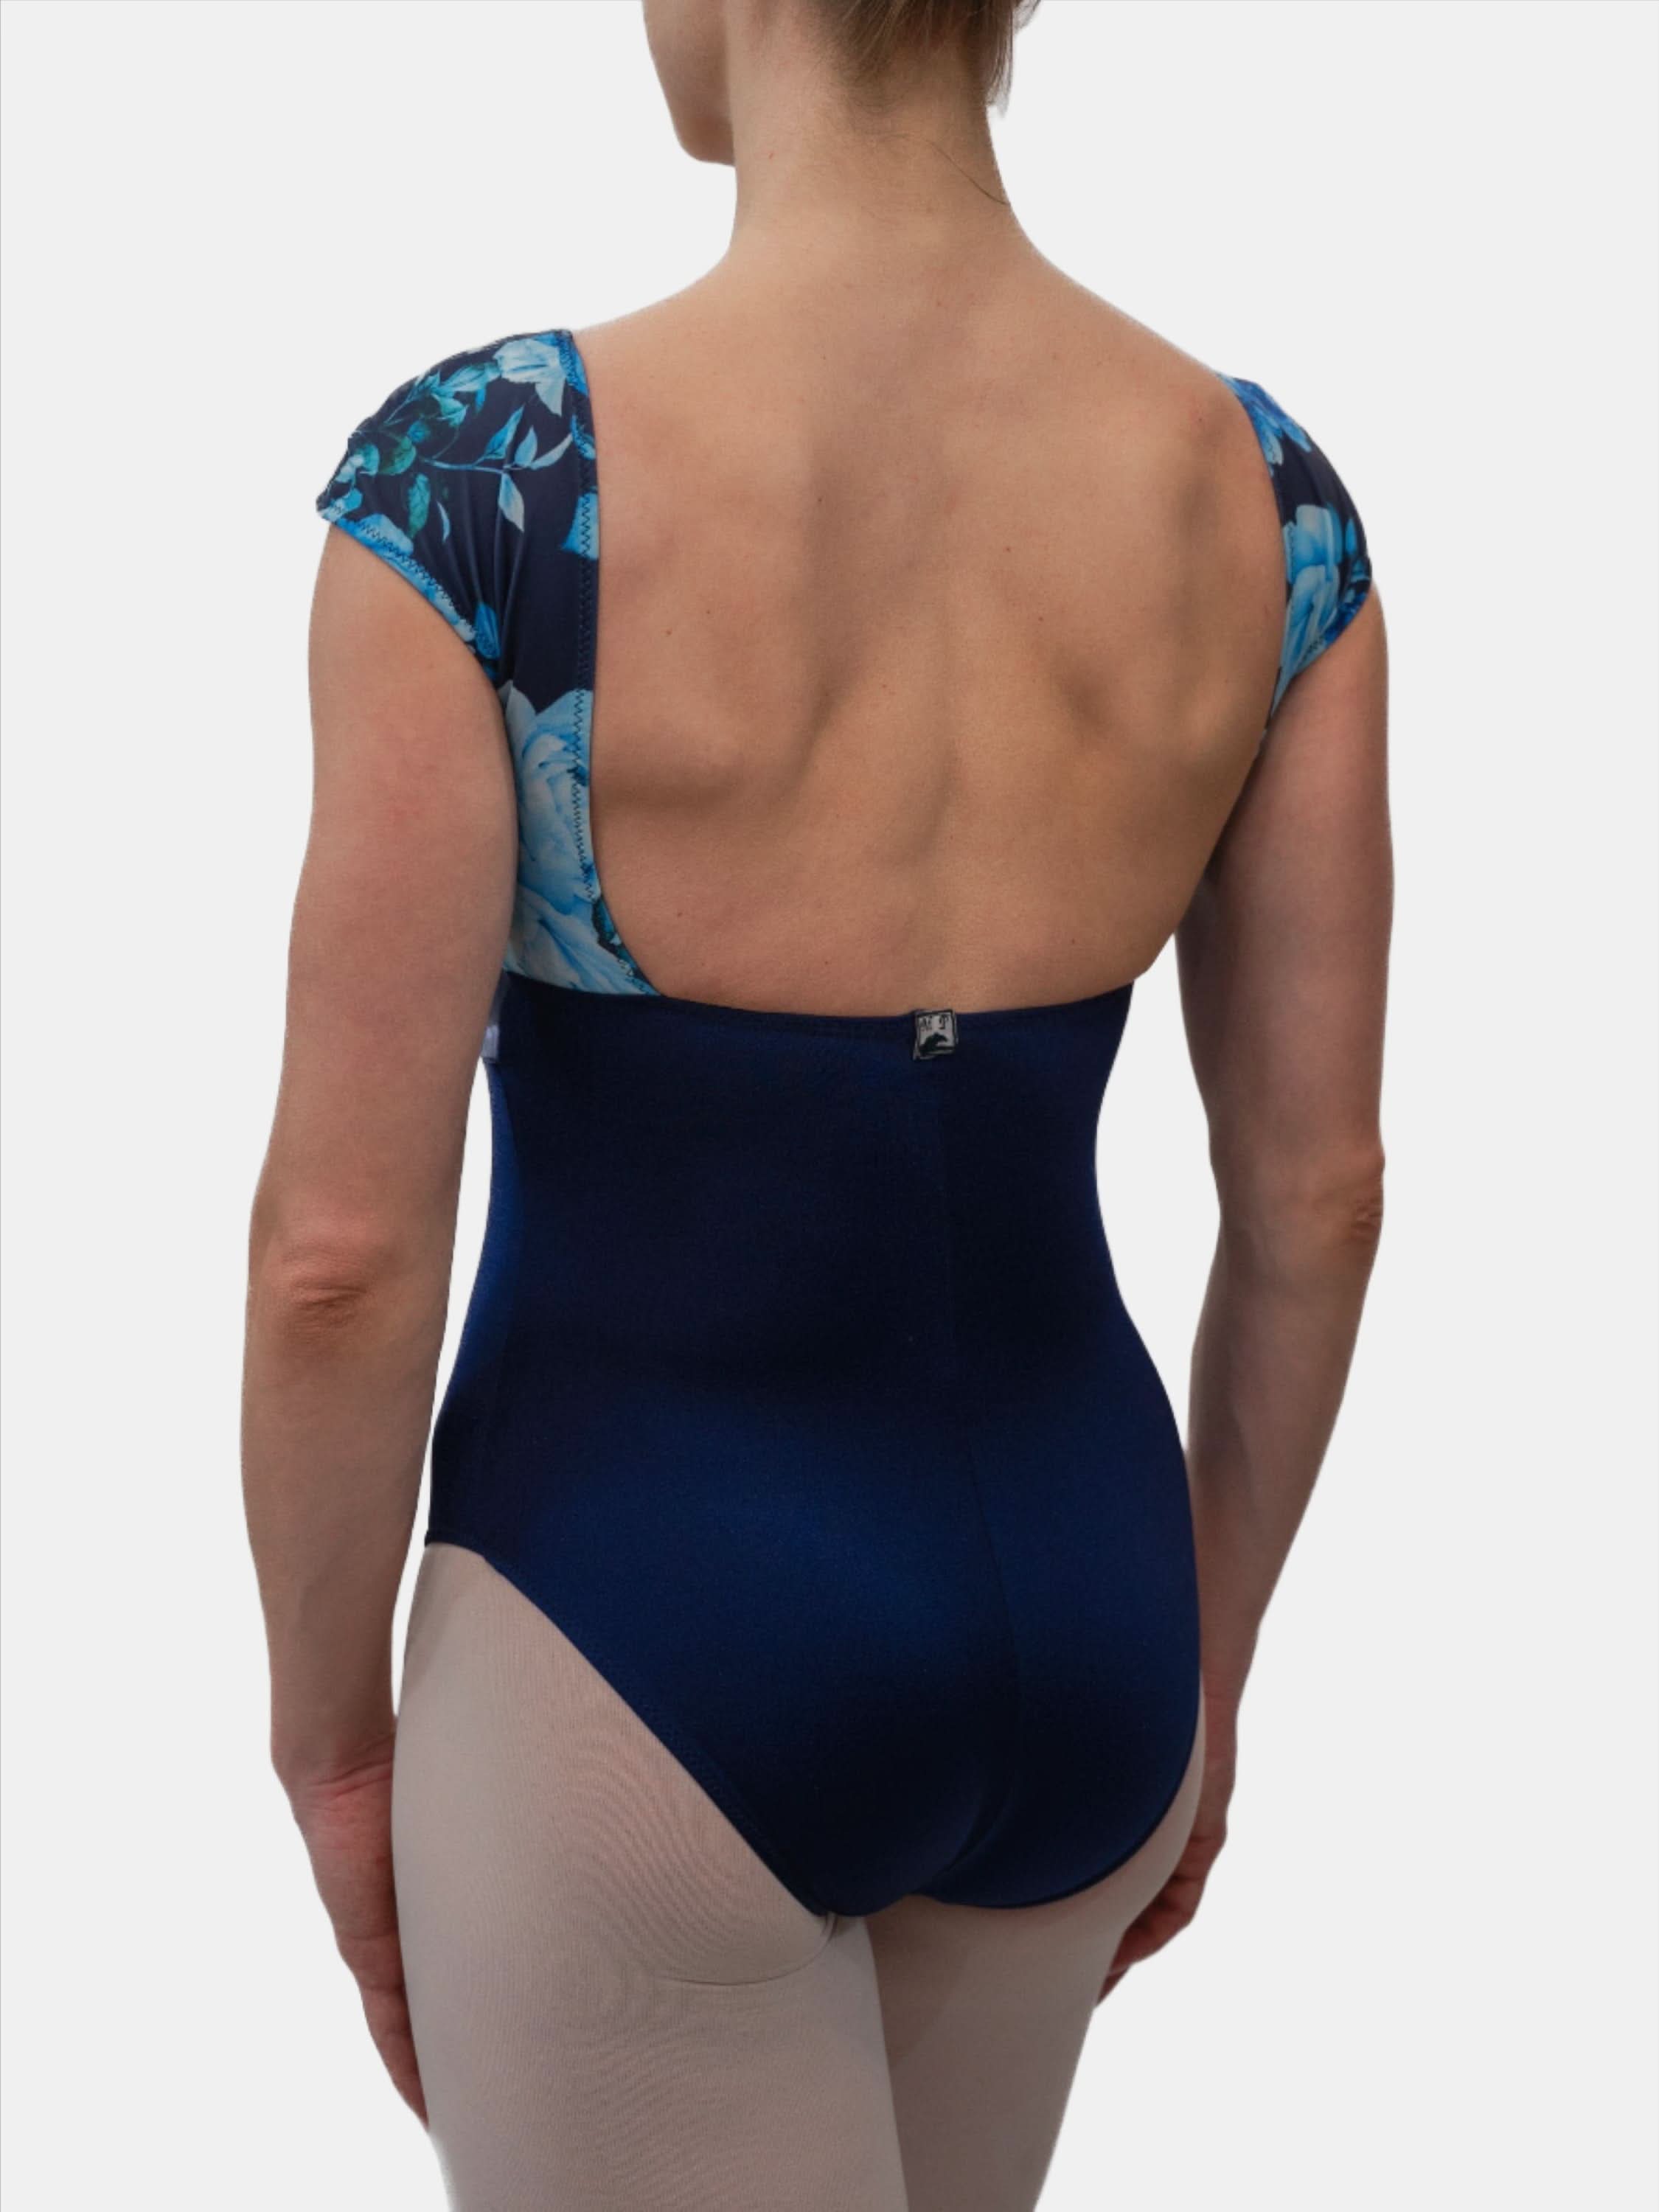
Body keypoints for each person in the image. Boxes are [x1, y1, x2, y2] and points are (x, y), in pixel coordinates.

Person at [241, 0, 1390, 2202]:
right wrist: (1206, 1664)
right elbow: (1317, 1193)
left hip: (634, 1626)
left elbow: (339, 1262)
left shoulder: (486, 485)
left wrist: (332, 1751)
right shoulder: (1264, 499)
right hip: (1092, 1605)